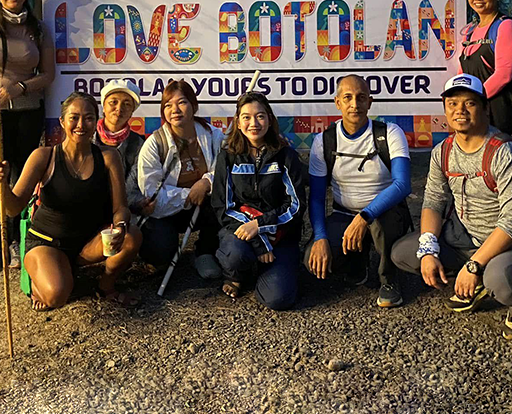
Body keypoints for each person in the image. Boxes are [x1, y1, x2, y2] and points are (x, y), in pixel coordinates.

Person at [0, 92, 142, 310]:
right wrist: (2, 186)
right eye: (74, 117)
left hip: (89, 243)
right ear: (62, 121)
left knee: (132, 236)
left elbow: (121, 208)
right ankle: (41, 280)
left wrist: (120, 226)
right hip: (48, 242)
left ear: (96, 121)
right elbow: (13, 208)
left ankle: (105, 286)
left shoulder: (108, 157)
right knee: (56, 297)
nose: (81, 124)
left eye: (88, 118)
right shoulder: (44, 157)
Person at [392, 74, 512, 339]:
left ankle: (484, 277)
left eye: (469, 103)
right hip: (465, 237)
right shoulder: (443, 151)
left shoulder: (503, 152)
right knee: (404, 252)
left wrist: (475, 266)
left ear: (485, 108)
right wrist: (428, 248)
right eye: (452, 104)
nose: (460, 110)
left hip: (503, 243)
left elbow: (511, 222)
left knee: (502, 283)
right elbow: (433, 202)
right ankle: (478, 277)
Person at [305, 75, 412, 308]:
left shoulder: (390, 133)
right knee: (310, 261)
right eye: (348, 98)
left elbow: (403, 185)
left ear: (370, 102)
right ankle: (357, 260)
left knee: (381, 224)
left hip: (384, 214)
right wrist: (321, 237)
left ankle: (389, 279)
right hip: (344, 214)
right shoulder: (324, 141)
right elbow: (316, 198)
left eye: (361, 97)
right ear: (337, 103)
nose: (355, 104)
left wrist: (365, 216)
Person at [0, 0, 55, 273]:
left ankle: (13, 239)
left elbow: (48, 74)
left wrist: (19, 88)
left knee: (22, 175)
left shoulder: (39, 29)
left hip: (27, 109)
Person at [211, 92, 306, 311]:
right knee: (236, 254)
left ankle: (273, 270)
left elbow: (296, 206)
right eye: (246, 117)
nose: (253, 123)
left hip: (280, 234)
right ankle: (236, 273)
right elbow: (223, 207)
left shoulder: (286, 156)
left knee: (278, 299)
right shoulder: (227, 156)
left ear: (270, 119)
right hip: (241, 232)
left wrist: (261, 225)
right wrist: (258, 240)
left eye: (260, 116)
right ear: (238, 122)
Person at [137, 80, 224, 280]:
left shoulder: (213, 136)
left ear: (193, 106)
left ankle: (204, 251)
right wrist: (189, 194)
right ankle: (164, 254)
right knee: (159, 250)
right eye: (168, 105)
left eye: (182, 103)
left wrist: (206, 182)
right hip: (167, 212)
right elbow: (151, 194)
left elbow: (223, 170)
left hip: (205, 207)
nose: (174, 110)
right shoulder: (155, 144)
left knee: (223, 205)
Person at [460, 0, 512, 134]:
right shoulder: (468, 31)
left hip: (501, 114)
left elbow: (504, 74)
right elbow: (462, 73)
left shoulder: (505, 26)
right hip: (474, 115)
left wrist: (473, 100)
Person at [95, 79, 147, 215]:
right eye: (113, 102)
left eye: (127, 104)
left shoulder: (139, 144)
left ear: (132, 112)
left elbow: (132, 187)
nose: (119, 108)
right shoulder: (86, 136)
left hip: (125, 209)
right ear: (104, 107)